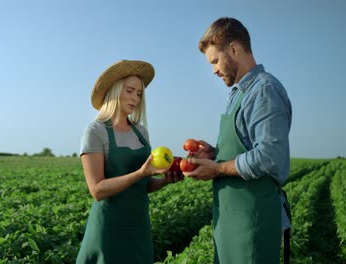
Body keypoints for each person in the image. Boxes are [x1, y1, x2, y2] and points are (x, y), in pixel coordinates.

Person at [183, 17, 292, 263]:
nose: (214, 70)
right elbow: (246, 145)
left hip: (252, 222)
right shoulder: (239, 93)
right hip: (232, 223)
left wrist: (218, 168)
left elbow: (268, 156)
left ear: (234, 49)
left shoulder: (264, 90)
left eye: (215, 61)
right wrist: (215, 153)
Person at [76, 60, 183, 264]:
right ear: (115, 91)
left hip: (139, 226)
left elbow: (142, 186)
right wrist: (140, 173)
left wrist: (165, 181)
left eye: (139, 94)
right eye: (129, 91)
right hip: (109, 228)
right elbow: (97, 190)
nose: (135, 98)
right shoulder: (95, 132)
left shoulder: (140, 132)